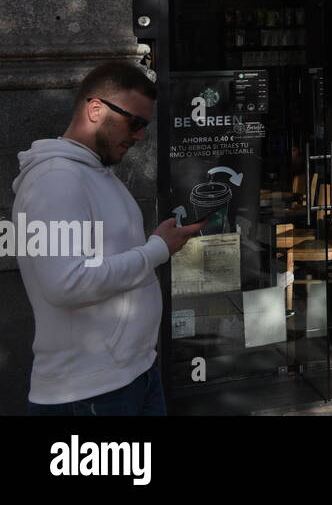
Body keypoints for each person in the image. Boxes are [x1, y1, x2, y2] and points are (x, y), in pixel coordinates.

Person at [12, 62, 203, 415]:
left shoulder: (94, 173)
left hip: (131, 376)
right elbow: (65, 284)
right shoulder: (56, 179)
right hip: (89, 393)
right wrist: (156, 250)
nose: (141, 136)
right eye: (136, 123)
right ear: (96, 109)